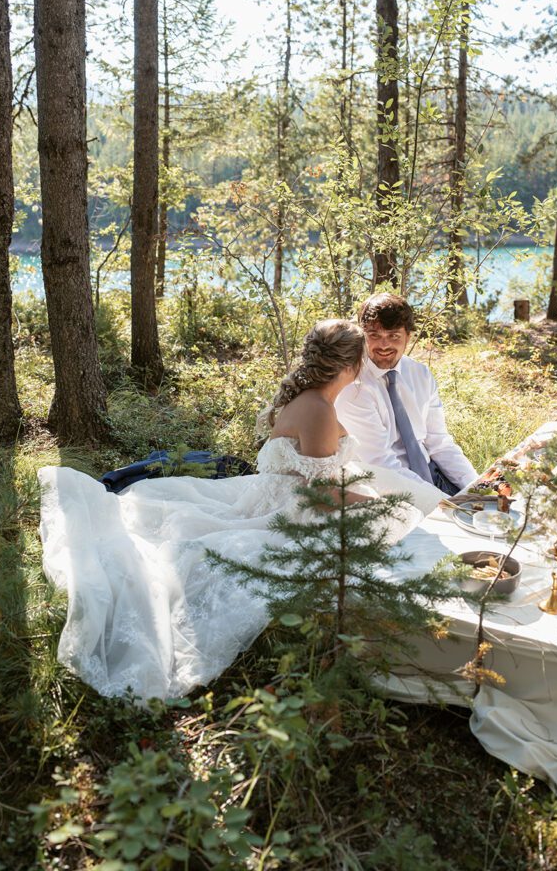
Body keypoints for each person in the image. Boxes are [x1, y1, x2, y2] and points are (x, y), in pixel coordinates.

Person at [38, 319, 422, 703]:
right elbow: (319, 496)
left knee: (401, 508)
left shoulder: (313, 399)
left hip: (269, 495)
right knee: (398, 516)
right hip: (290, 513)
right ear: (352, 366)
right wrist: (377, 504)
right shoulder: (318, 407)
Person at [335, 294, 478, 496]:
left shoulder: (421, 374)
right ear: (362, 336)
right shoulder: (353, 386)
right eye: (374, 335)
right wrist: (441, 502)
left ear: (408, 337)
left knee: (493, 511)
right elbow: (381, 463)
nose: (384, 345)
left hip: (431, 474)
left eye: (393, 336)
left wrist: (475, 486)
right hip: (385, 488)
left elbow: (440, 443)